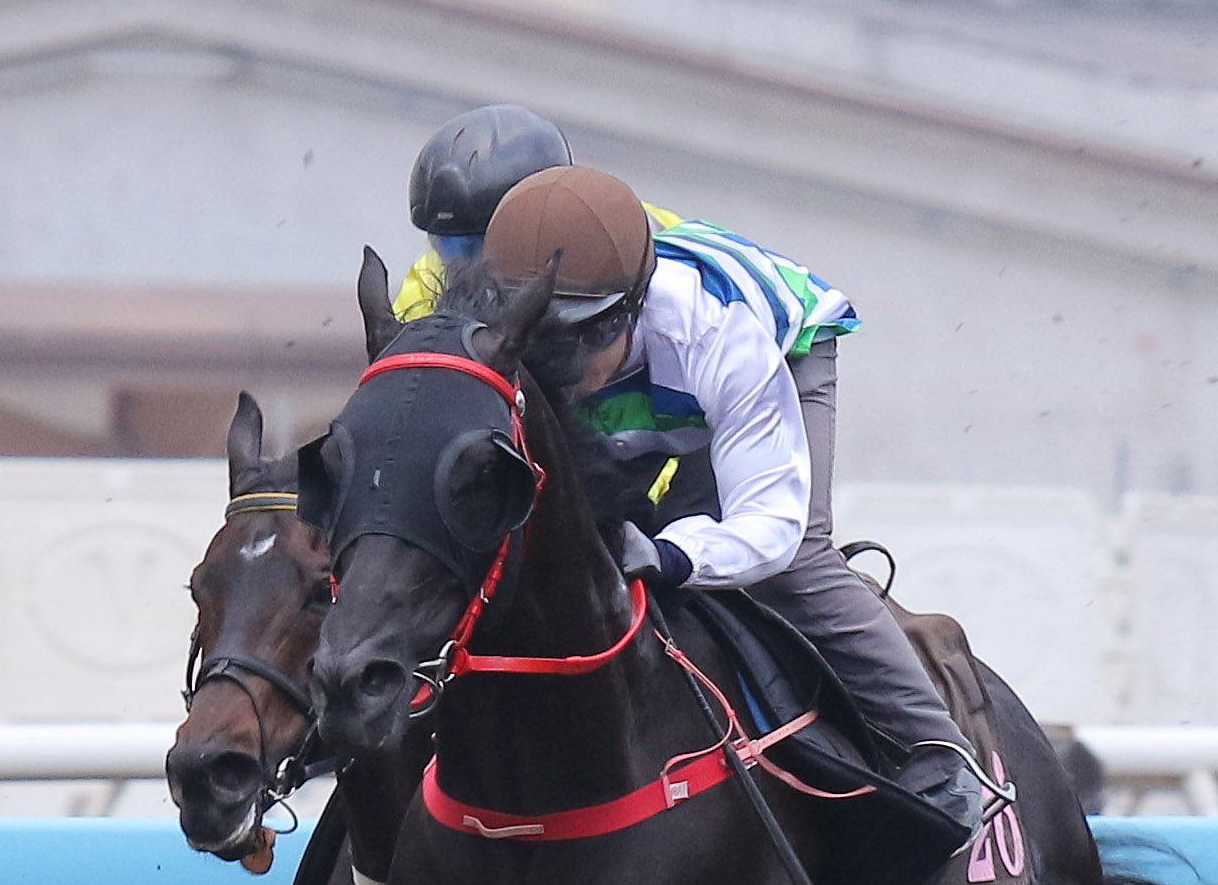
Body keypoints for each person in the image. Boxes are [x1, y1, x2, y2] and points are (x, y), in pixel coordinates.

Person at [479, 164, 995, 843]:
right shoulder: (507, 339)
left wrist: (670, 556)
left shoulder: (716, 335)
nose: (569, 367)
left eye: (588, 337)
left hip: (778, 351)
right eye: (548, 341)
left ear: (631, 309)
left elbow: (769, 525)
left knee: (791, 563)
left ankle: (936, 748)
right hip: (662, 382)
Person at [393, 103, 683, 322]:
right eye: (447, 247)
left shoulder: (652, 250)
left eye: (479, 245)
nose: (465, 268)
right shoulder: (429, 290)